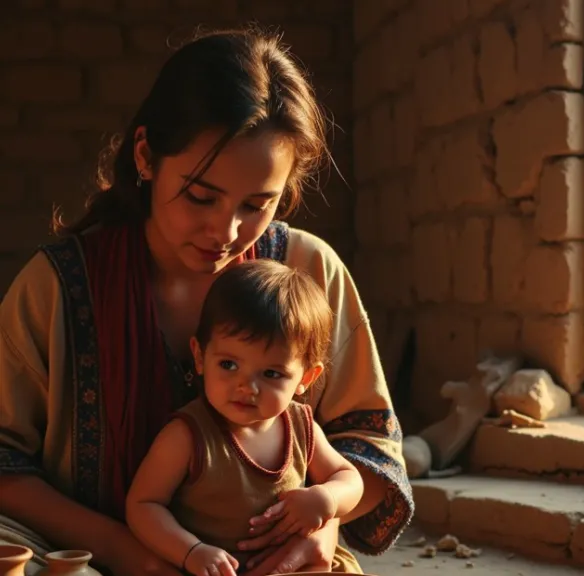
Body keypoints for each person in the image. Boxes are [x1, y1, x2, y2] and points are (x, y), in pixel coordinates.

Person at [0, 27, 413, 576]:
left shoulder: (308, 271)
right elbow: (4, 462)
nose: (226, 230)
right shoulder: (56, 285)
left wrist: (322, 526)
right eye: (201, 196)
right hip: (85, 554)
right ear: (145, 157)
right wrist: (134, 553)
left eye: (257, 204)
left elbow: (371, 453)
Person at [126, 260, 365, 576]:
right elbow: (143, 506)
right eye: (228, 365)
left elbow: (349, 477)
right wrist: (191, 551)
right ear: (200, 356)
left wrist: (327, 498)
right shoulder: (188, 436)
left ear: (306, 377)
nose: (246, 387)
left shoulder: (300, 427)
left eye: (271, 373)